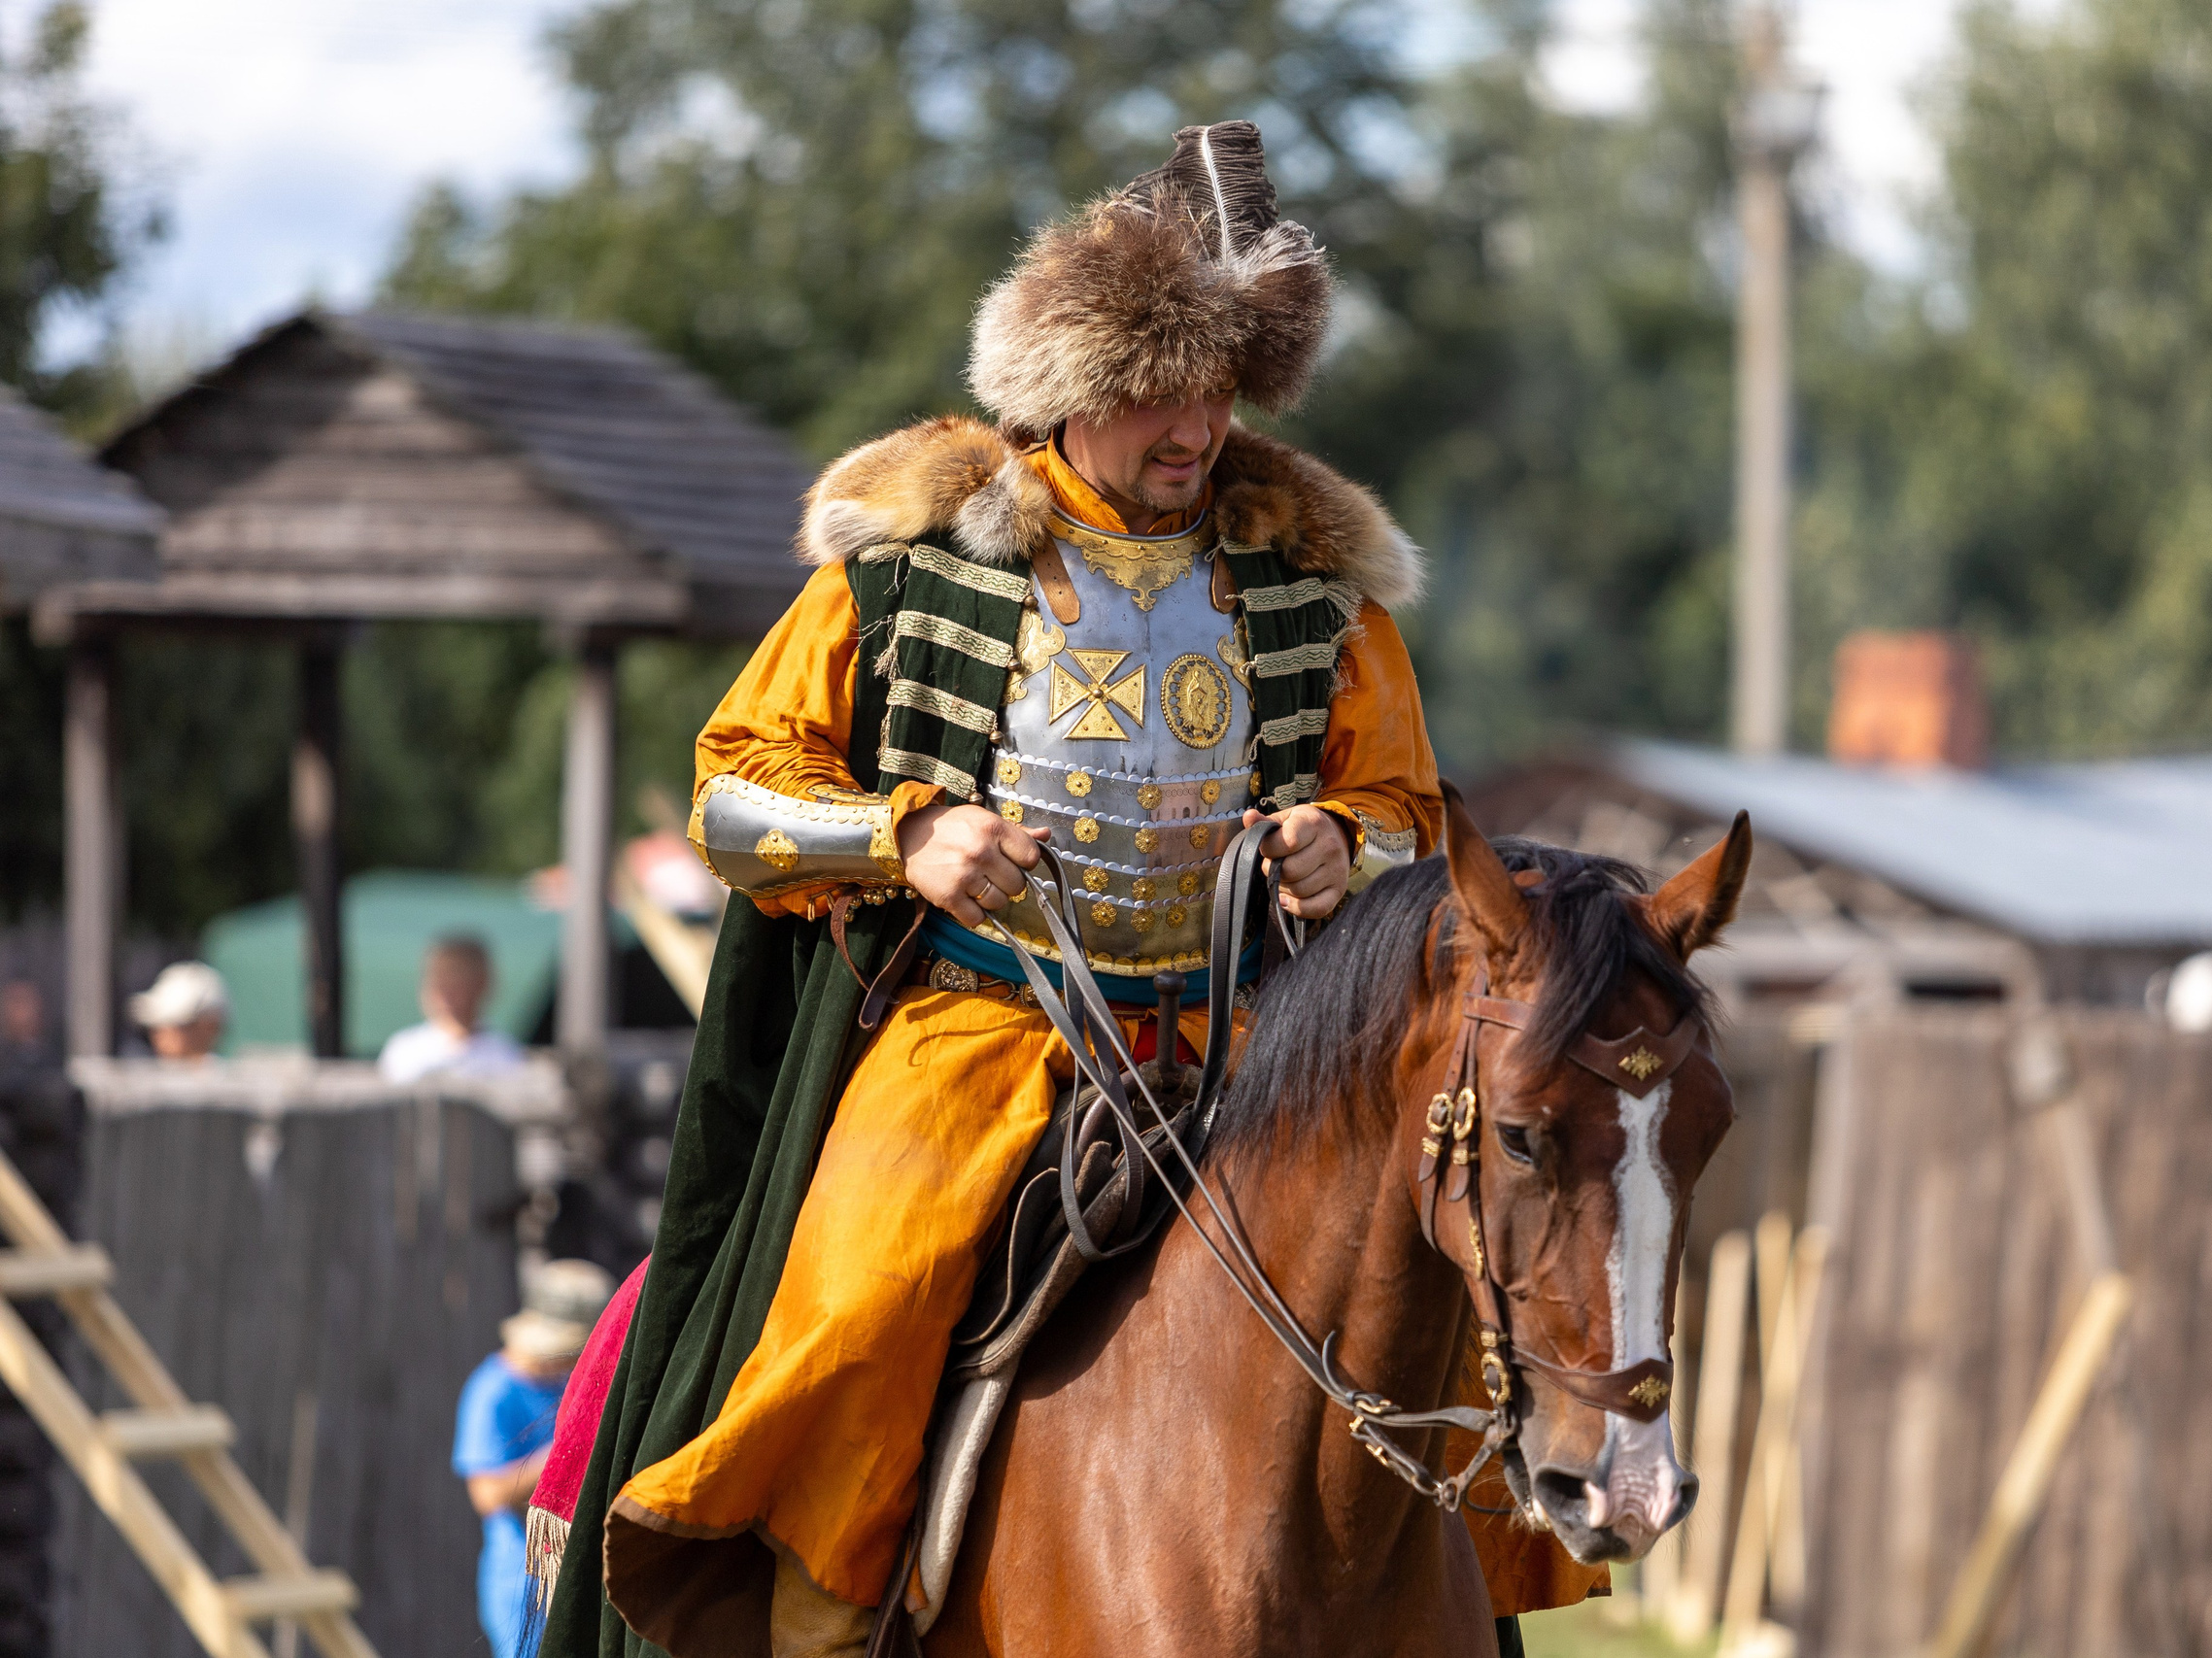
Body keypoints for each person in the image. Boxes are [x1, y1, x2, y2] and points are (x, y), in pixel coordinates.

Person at [541, 122, 1593, 1656]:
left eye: (1225, 390)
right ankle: (813, 1630)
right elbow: (730, 794)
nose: (1198, 427)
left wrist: (1340, 846)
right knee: (861, 1296)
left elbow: (1409, 821)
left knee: (1440, 1283)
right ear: (1072, 389)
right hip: (979, 1035)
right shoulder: (910, 572)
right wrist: (905, 840)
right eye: (1164, 391)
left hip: (1256, 1049)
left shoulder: (1314, 592)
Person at [455, 1259, 616, 1658]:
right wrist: (565, 1453)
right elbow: (487, 1495)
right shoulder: (492, 1391)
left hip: (581, 1570)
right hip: (523, 1581)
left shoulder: (567, 1381)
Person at [378, 935, 525, 1085]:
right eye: (438, 978)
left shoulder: (506, 1053)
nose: (445, 991)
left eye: (456, 979)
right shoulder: (402, 1050)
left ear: (483, 984)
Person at [127, 962, 226, 1062]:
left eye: (180, 1025)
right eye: (157, 1027)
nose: (162, 1037)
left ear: (209, 1027)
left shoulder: (230, 1075)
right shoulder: (140, 1072)